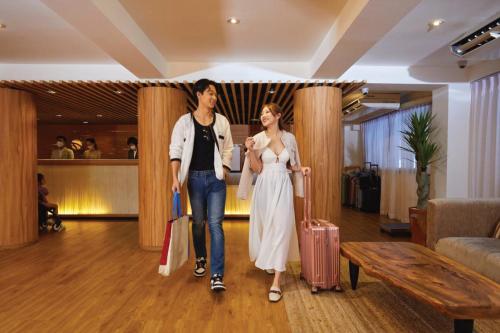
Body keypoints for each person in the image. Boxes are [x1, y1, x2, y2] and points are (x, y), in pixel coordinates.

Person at [237, 103, 309, 303]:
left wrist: (301, 169)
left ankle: (276, 281)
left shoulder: (290, 138)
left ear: (278, 115)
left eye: (267, 112)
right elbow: (257, 168)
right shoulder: (259, 139)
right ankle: (270, 260)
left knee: (282, 228)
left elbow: (293, 164)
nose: (263, 116)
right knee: (266, 228)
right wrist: (250, 150)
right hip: (264, 187)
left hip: (283, 185)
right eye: (261, 113)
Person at [169, 78, 233, 292]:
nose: (213, 97)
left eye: (215, 94)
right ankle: (201, 258)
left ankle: (217, 273)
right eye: (209, 93)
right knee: (198, 223)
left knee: (215, 224)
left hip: (216, 180)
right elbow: (175, 151)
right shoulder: (184, 122)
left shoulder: (222, 121)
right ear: (198, 95)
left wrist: (224, 168)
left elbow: (229, 148)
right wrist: (175, 179)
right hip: (194, 180)